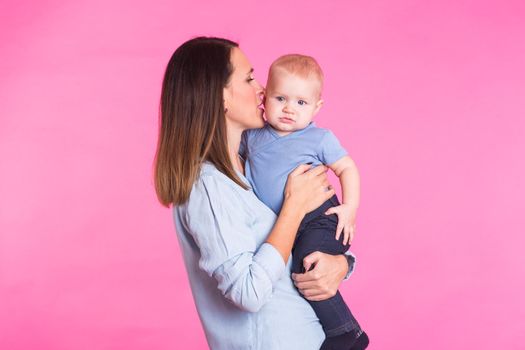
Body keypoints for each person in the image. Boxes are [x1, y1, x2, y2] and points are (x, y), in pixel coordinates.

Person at [154, 37, 359, 350]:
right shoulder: (208, 186)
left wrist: (341, 264)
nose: (263, 89)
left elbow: (295, 249)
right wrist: (294, 206)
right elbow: (248, 293)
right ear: (219, 96)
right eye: (249, 78)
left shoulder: (253, 163)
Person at [241, 54, 369, 349]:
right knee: (296, 268)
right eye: (280, 98)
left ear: (316, 108)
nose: (289, 109)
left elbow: (347, 168)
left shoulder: (318, 138)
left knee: (307, 260)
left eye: (301, 103)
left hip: (319, 218)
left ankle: (345, 332)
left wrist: (350, 208)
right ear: (265, 97)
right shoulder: (252, 135)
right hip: (290, 224)